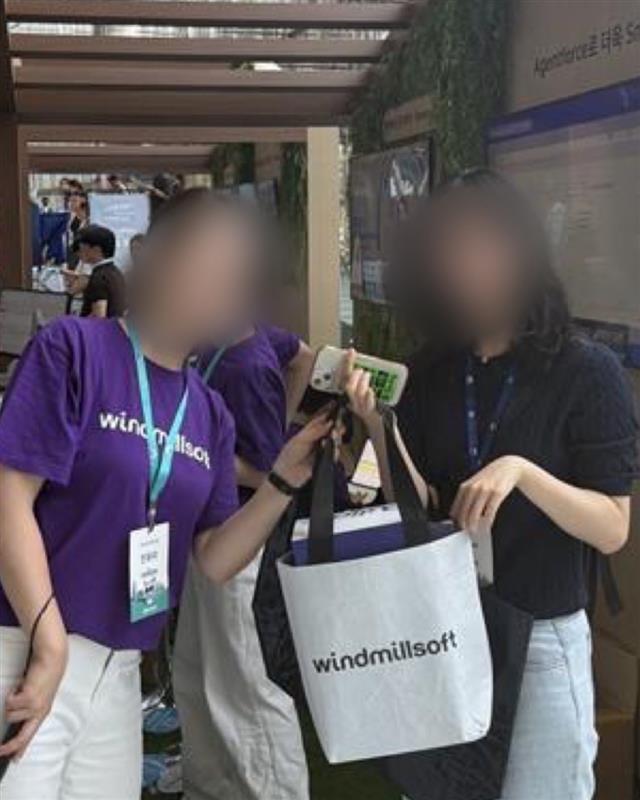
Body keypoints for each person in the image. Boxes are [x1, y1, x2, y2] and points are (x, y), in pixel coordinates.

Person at [0, 189, 329, 800]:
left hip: (119, 670)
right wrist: (47, 645)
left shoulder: (208, 412)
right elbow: (9, 499)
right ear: (150, 255)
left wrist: (284, 479)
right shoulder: (73, 350)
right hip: (25, 648)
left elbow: (214, 557)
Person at [346, 169, 639, 800]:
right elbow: (421, 504)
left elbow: (613, 527)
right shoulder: (432, 370)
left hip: (541, 638)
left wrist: (524, 473)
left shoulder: (585, 371)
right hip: (446, 628)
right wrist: (377, 425)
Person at [174, 322, 314, 800]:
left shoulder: (246, 367)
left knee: (244, 684)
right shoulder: (222, 341)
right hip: (206, 533)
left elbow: (267, 473)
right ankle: (209, 786)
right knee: (196, 671)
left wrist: (190, 448)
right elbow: (303, 355)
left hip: (242, 543)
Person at [73, 225, 126, 318]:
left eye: (84, 247)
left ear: (96, 250)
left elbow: (99, 316)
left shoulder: (99, 278)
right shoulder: (116, 272)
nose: (80, 251)